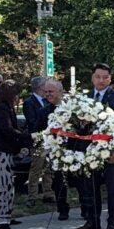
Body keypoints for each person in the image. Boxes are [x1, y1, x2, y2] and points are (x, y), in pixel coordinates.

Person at [79, 63, 114, 229]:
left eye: (105, 77)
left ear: (110, 78)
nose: (101, 80)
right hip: (90, 149)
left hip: (110, 150)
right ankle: (92, 220)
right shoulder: (85, 98)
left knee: (112, 187)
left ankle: (113, 221)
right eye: (98, 77)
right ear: (93, 77)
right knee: (90, 186)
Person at [0, 81, 33, 229]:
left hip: (5, 150)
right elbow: (7, 130)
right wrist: (26, 136)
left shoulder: (6, 108)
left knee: (7, 182)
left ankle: (6, 214)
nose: (18, 97)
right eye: (16, 94)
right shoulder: (1, 109)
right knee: (0, 182)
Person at [40, 79, 72, 220]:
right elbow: (38, 129)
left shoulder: (72, 108)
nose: (48, 94)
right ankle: (62, 208)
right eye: (46, 92)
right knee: (59, 181)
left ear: (60, 91)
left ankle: (86, 208)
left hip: (74, 148)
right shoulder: (44, 111)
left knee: (80, 181)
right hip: (55, 151)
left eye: (51, 91)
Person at [22, 77, 54, 206]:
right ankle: (32, 196)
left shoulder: (47, 101)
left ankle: (48, 193)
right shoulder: (29, 102)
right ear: (39, 87)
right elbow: (32, 122)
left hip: (50, 139)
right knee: (36, 168)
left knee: (48, 168)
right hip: (39, 139)